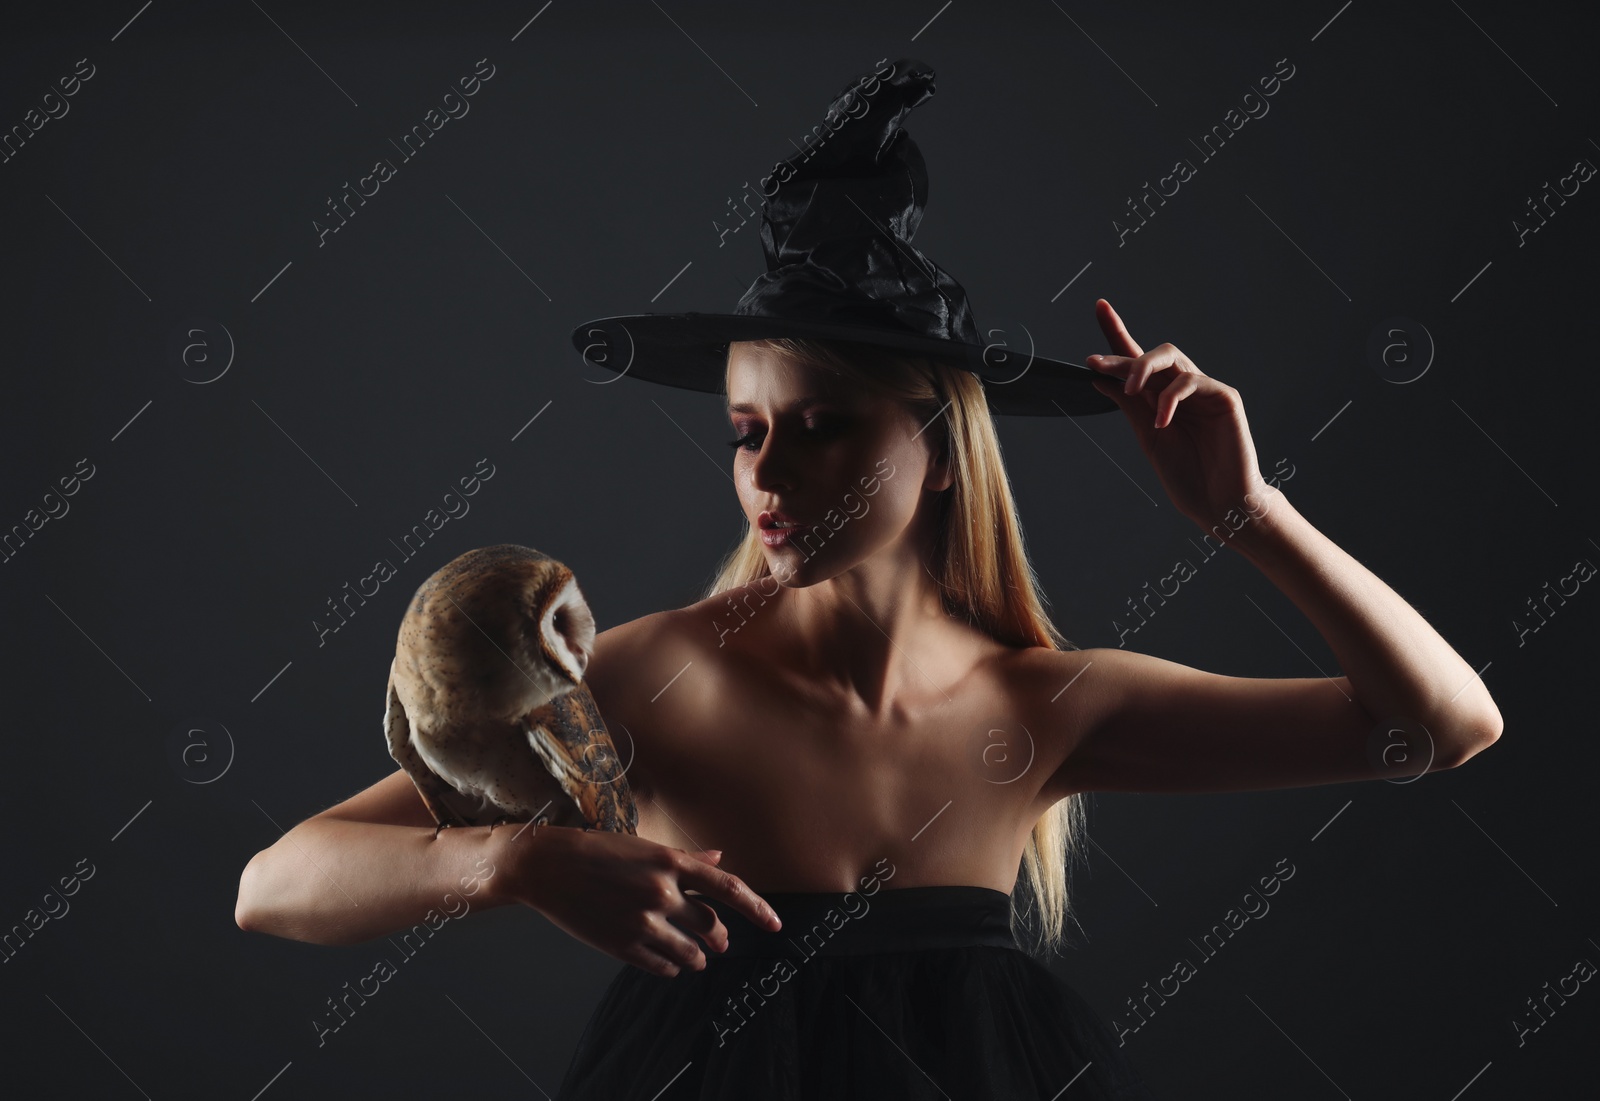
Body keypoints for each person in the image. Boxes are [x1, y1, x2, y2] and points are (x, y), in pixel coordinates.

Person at [235, 59, 1504, 1100]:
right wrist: (507, 864)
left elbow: (1440, 727)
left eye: (822, 424)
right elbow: (275, 883)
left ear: (940, 452)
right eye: (745, 431)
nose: (769, 473)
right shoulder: (646, 678)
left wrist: (1247, 514)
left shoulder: (1044, 706)